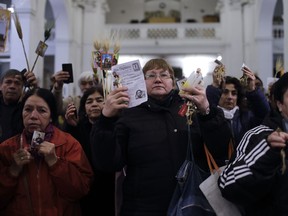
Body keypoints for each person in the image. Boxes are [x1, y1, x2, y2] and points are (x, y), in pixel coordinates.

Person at [90, 58, 230, 215]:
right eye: (150, 75)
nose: (157, 79)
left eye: (164, 75)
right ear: (141, 82)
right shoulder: (128, 114)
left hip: (190, 203)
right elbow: (108, 163)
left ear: (173, 81)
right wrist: (106, 119)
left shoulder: (192, 107)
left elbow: (221, 149)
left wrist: (207, 112)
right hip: (143, 207)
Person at [0, 87, 93, 216]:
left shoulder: (68, 144)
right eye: (28, 109)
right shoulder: (7, 148)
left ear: (51, 117)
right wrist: (13, 171)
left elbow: (81, 190)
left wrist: (55, 163)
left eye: (42, 110)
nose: (33, 116)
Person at [218, 72, 288, 216]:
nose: (229, 96)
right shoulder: (258, 136)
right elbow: (227, 184)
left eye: (233, 93)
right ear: (280, 105)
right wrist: (267, 152)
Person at [64, 85, 115, 216]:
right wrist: (72, 127)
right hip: (86, 190)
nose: (94, 104)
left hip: (110, 187)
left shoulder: (117, 125)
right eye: (89, 101)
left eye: (99, 100)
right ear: (84, 108)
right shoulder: (77, 127)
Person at [206, 65, 270, 147]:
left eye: (234, 93)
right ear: (218, 93)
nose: (229, 97)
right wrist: (215, 85)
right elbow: (207, 110)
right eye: (225, 92)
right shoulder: (211, 116)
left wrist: (252, 90)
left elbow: (264, 114)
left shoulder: (246, 117)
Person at [0, 69, 37, 143]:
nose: (12, 86)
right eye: (8, 82)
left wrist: (35, 88)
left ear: (22, 87)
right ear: (0, 86)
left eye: (17, 83)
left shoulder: (28, 109)